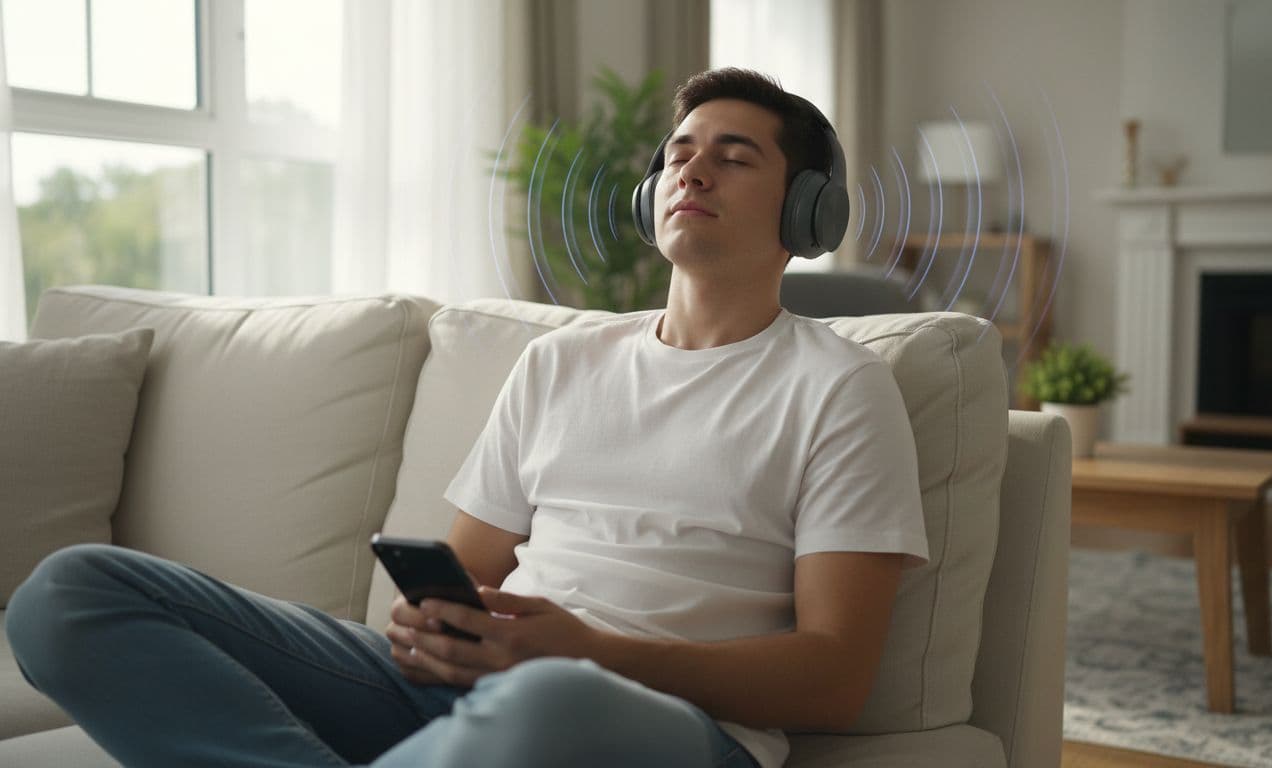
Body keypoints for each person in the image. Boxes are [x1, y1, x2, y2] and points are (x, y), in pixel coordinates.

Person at [5, 67, 927, 768]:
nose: (694, 171)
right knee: (72, 589)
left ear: (810, 213)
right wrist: (428, 627)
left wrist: (593, 652)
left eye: (735, 157)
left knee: (551, 702)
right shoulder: (561, 362)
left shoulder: (840, 388)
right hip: (473, 697)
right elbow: (463, 578)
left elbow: (835, 679)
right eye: (681, 154)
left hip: (650, 723)